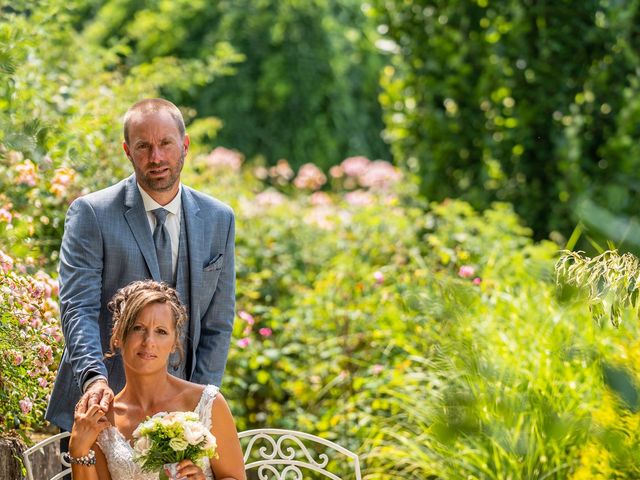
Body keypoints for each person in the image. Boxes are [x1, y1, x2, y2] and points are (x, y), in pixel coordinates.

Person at [46, 98, 236, 434]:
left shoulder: (218, 219)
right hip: (103, 411)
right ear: (127, 151)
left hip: (183, 421)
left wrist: (199, 408)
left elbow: (217, 323)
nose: (156, 157)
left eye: (166, 143)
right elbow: (78, 308)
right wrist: (94, 381)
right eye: (143, 146)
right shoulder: (92, 214)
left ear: (185, 145)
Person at [67, 280, 246, 480]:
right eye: (138, 328)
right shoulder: (102, 419)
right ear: (118, 335)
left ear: (173, 343)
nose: (149, 342)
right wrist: (78, 451)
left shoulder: (207, 403)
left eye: (161, 331)